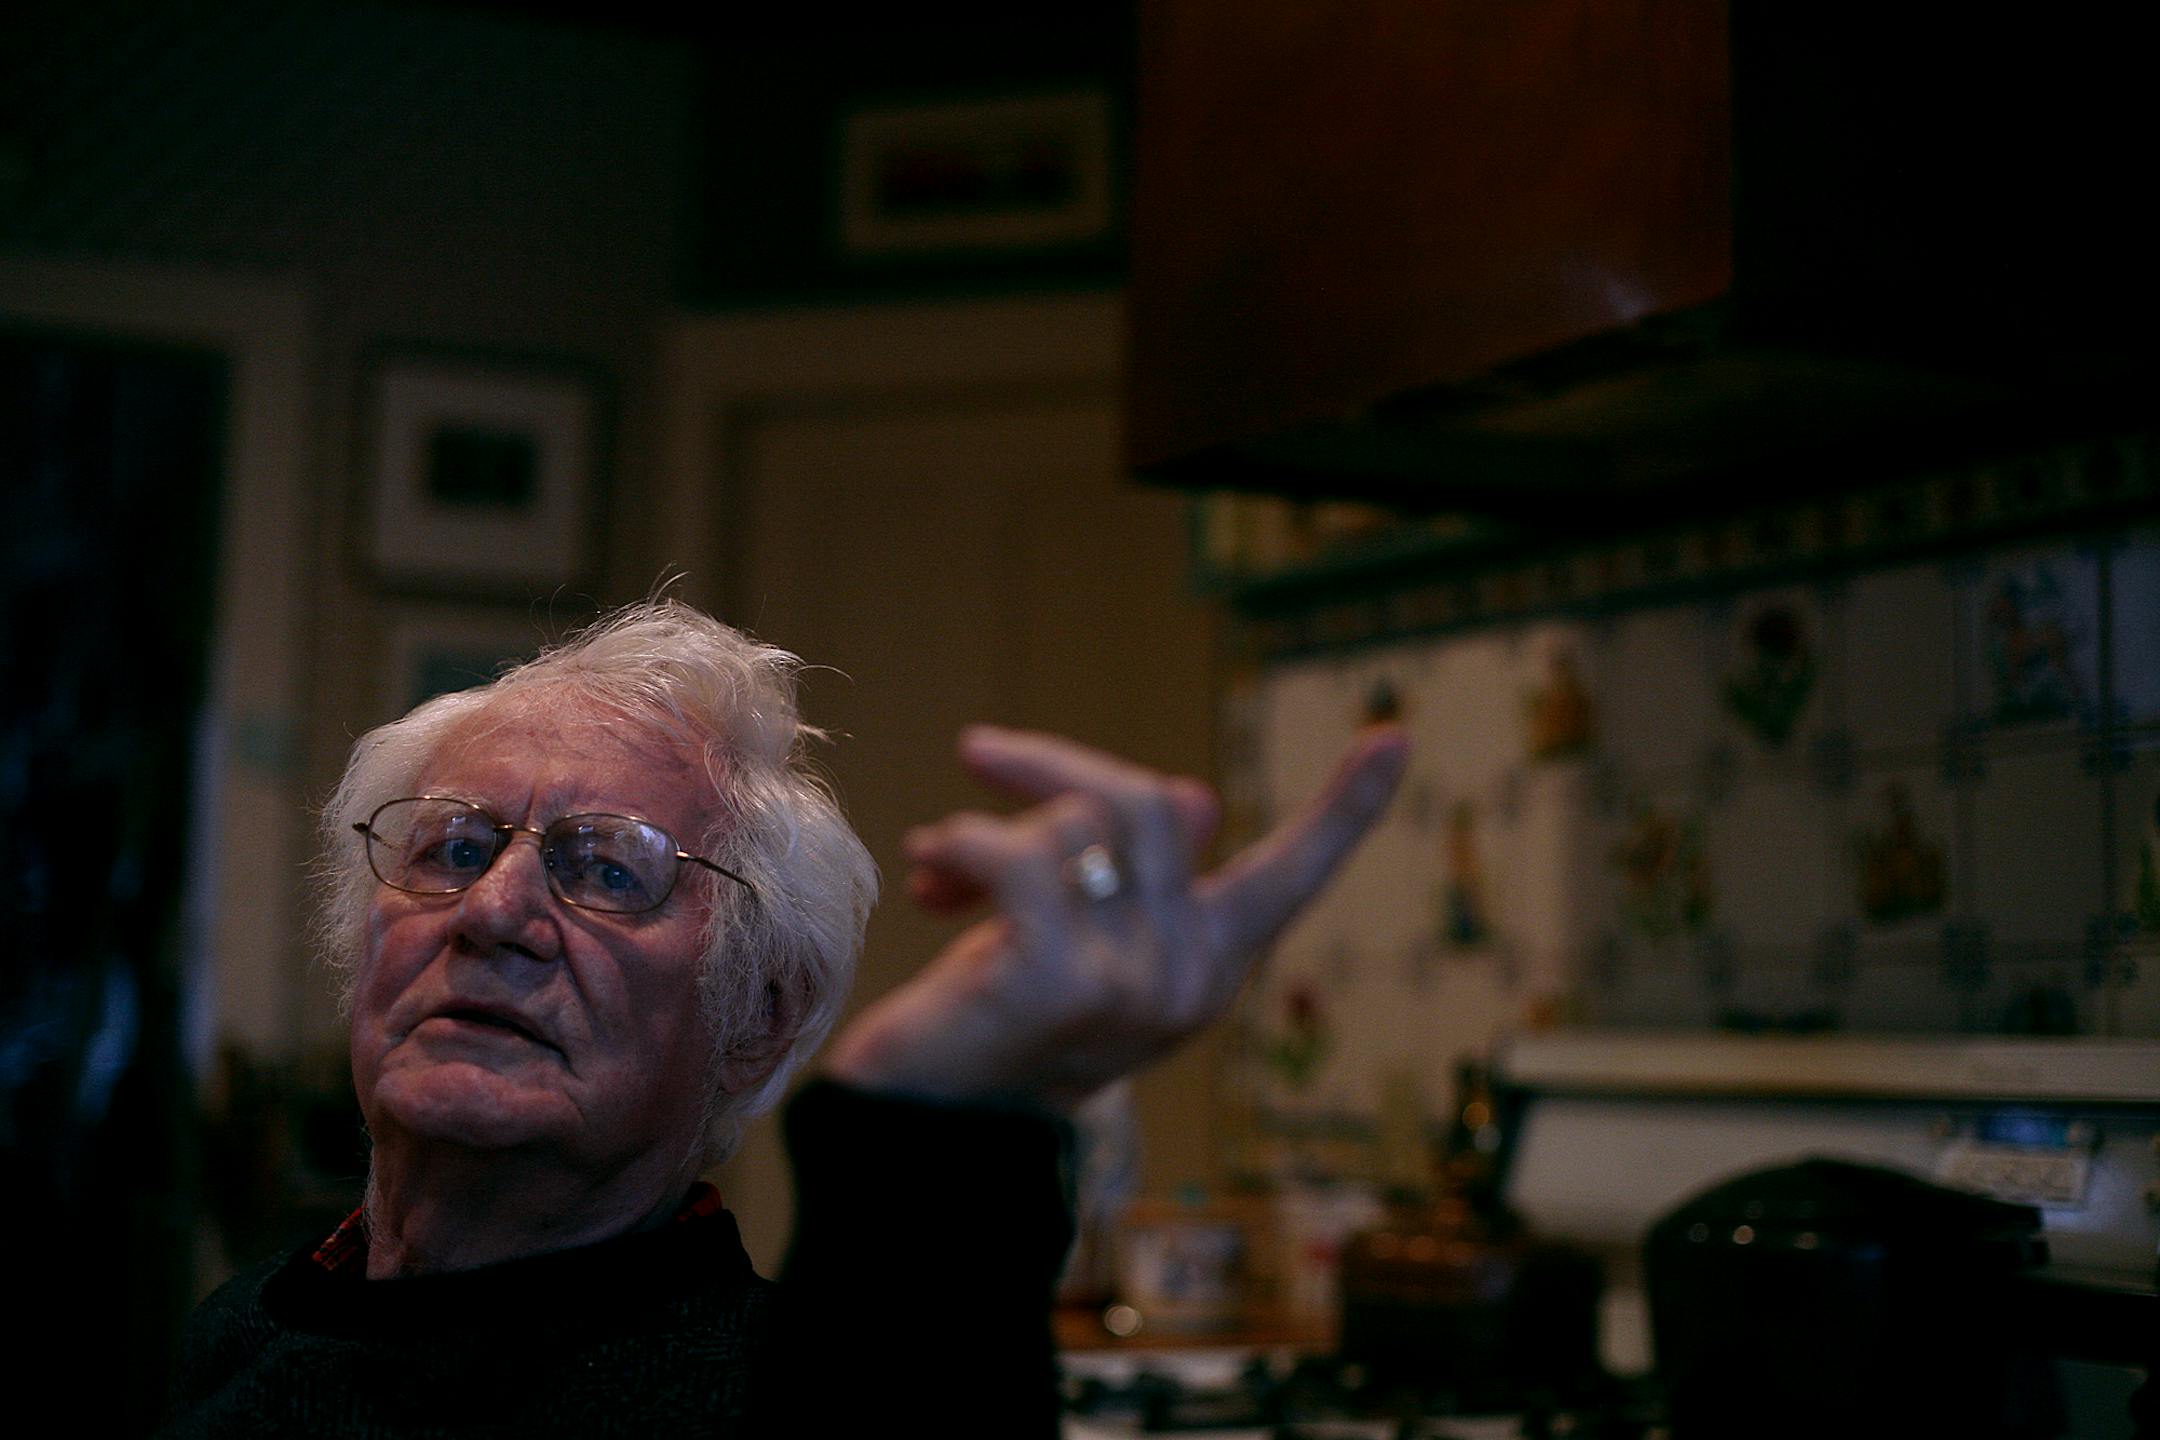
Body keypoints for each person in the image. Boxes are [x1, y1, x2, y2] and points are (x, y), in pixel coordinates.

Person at [160, 599, 1406, 1436]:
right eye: (452, 846)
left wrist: (942, 1121)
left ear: (757, 1017)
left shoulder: (776, 1395)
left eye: (606, 867)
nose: (494, 910)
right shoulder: (243, 1328)